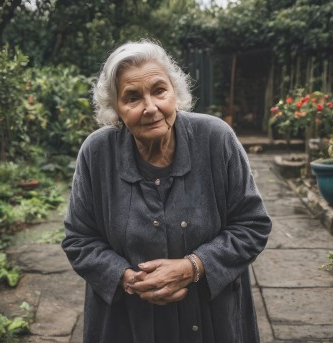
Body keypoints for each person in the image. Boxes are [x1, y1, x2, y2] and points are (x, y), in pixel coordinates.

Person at [61, 39, 272, 343]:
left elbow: (253, 225)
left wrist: (193, 267)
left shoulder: (216, 139)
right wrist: (125, 278)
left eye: (159, 90)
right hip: (126, 323)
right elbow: (79, 240)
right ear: (116, 109)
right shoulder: (96, 153)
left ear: (175, 92)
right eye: (132, 97)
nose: (150, 108)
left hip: (213, 321)